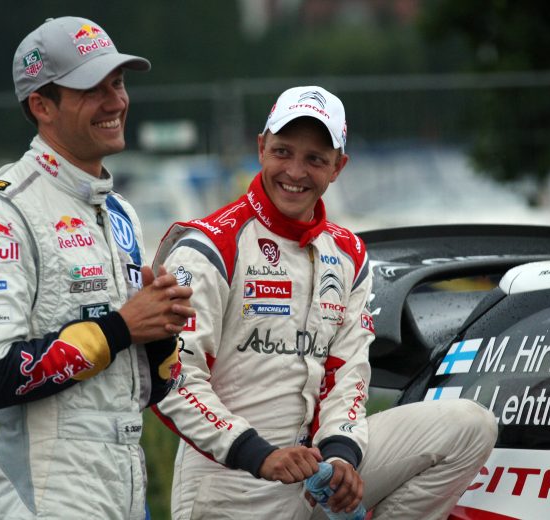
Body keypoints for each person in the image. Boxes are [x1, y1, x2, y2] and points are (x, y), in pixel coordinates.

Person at [152, 85, 498, 519]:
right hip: (231, 477)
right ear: (260, 148)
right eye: (283, 151)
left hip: (314, 470)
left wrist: (341, 455)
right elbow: (174, 380)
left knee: (469, 427)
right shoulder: (210, 247)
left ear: (338, 167)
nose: (295, 171)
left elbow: (347, 372)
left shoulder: (348, 253)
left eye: (315, 159)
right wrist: (258, 454)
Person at [0, 16, 194, 519]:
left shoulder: (120, 212)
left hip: (125, 480)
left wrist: (161, 331)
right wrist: (121, 327)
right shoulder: (0, 212)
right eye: (91, 89)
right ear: (42, 105)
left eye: (118, 83)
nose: (115, 102)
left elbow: (149, 386)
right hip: (48, 491)